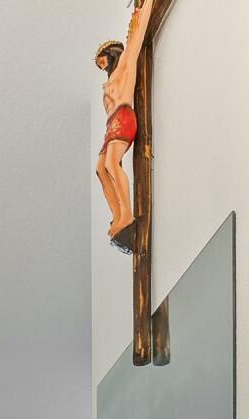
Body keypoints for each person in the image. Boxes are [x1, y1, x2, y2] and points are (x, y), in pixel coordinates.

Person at [94, 0, 156, 252]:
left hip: (123, 116)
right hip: (112, 125)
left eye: (102, 61)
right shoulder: (109, 82)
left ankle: (126, 216)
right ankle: (117, 214)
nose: (102, 66)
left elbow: (138, 32)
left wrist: (144, 5)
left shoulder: (126, 68)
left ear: (112, 55)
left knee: (111, 164)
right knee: (100, 168)